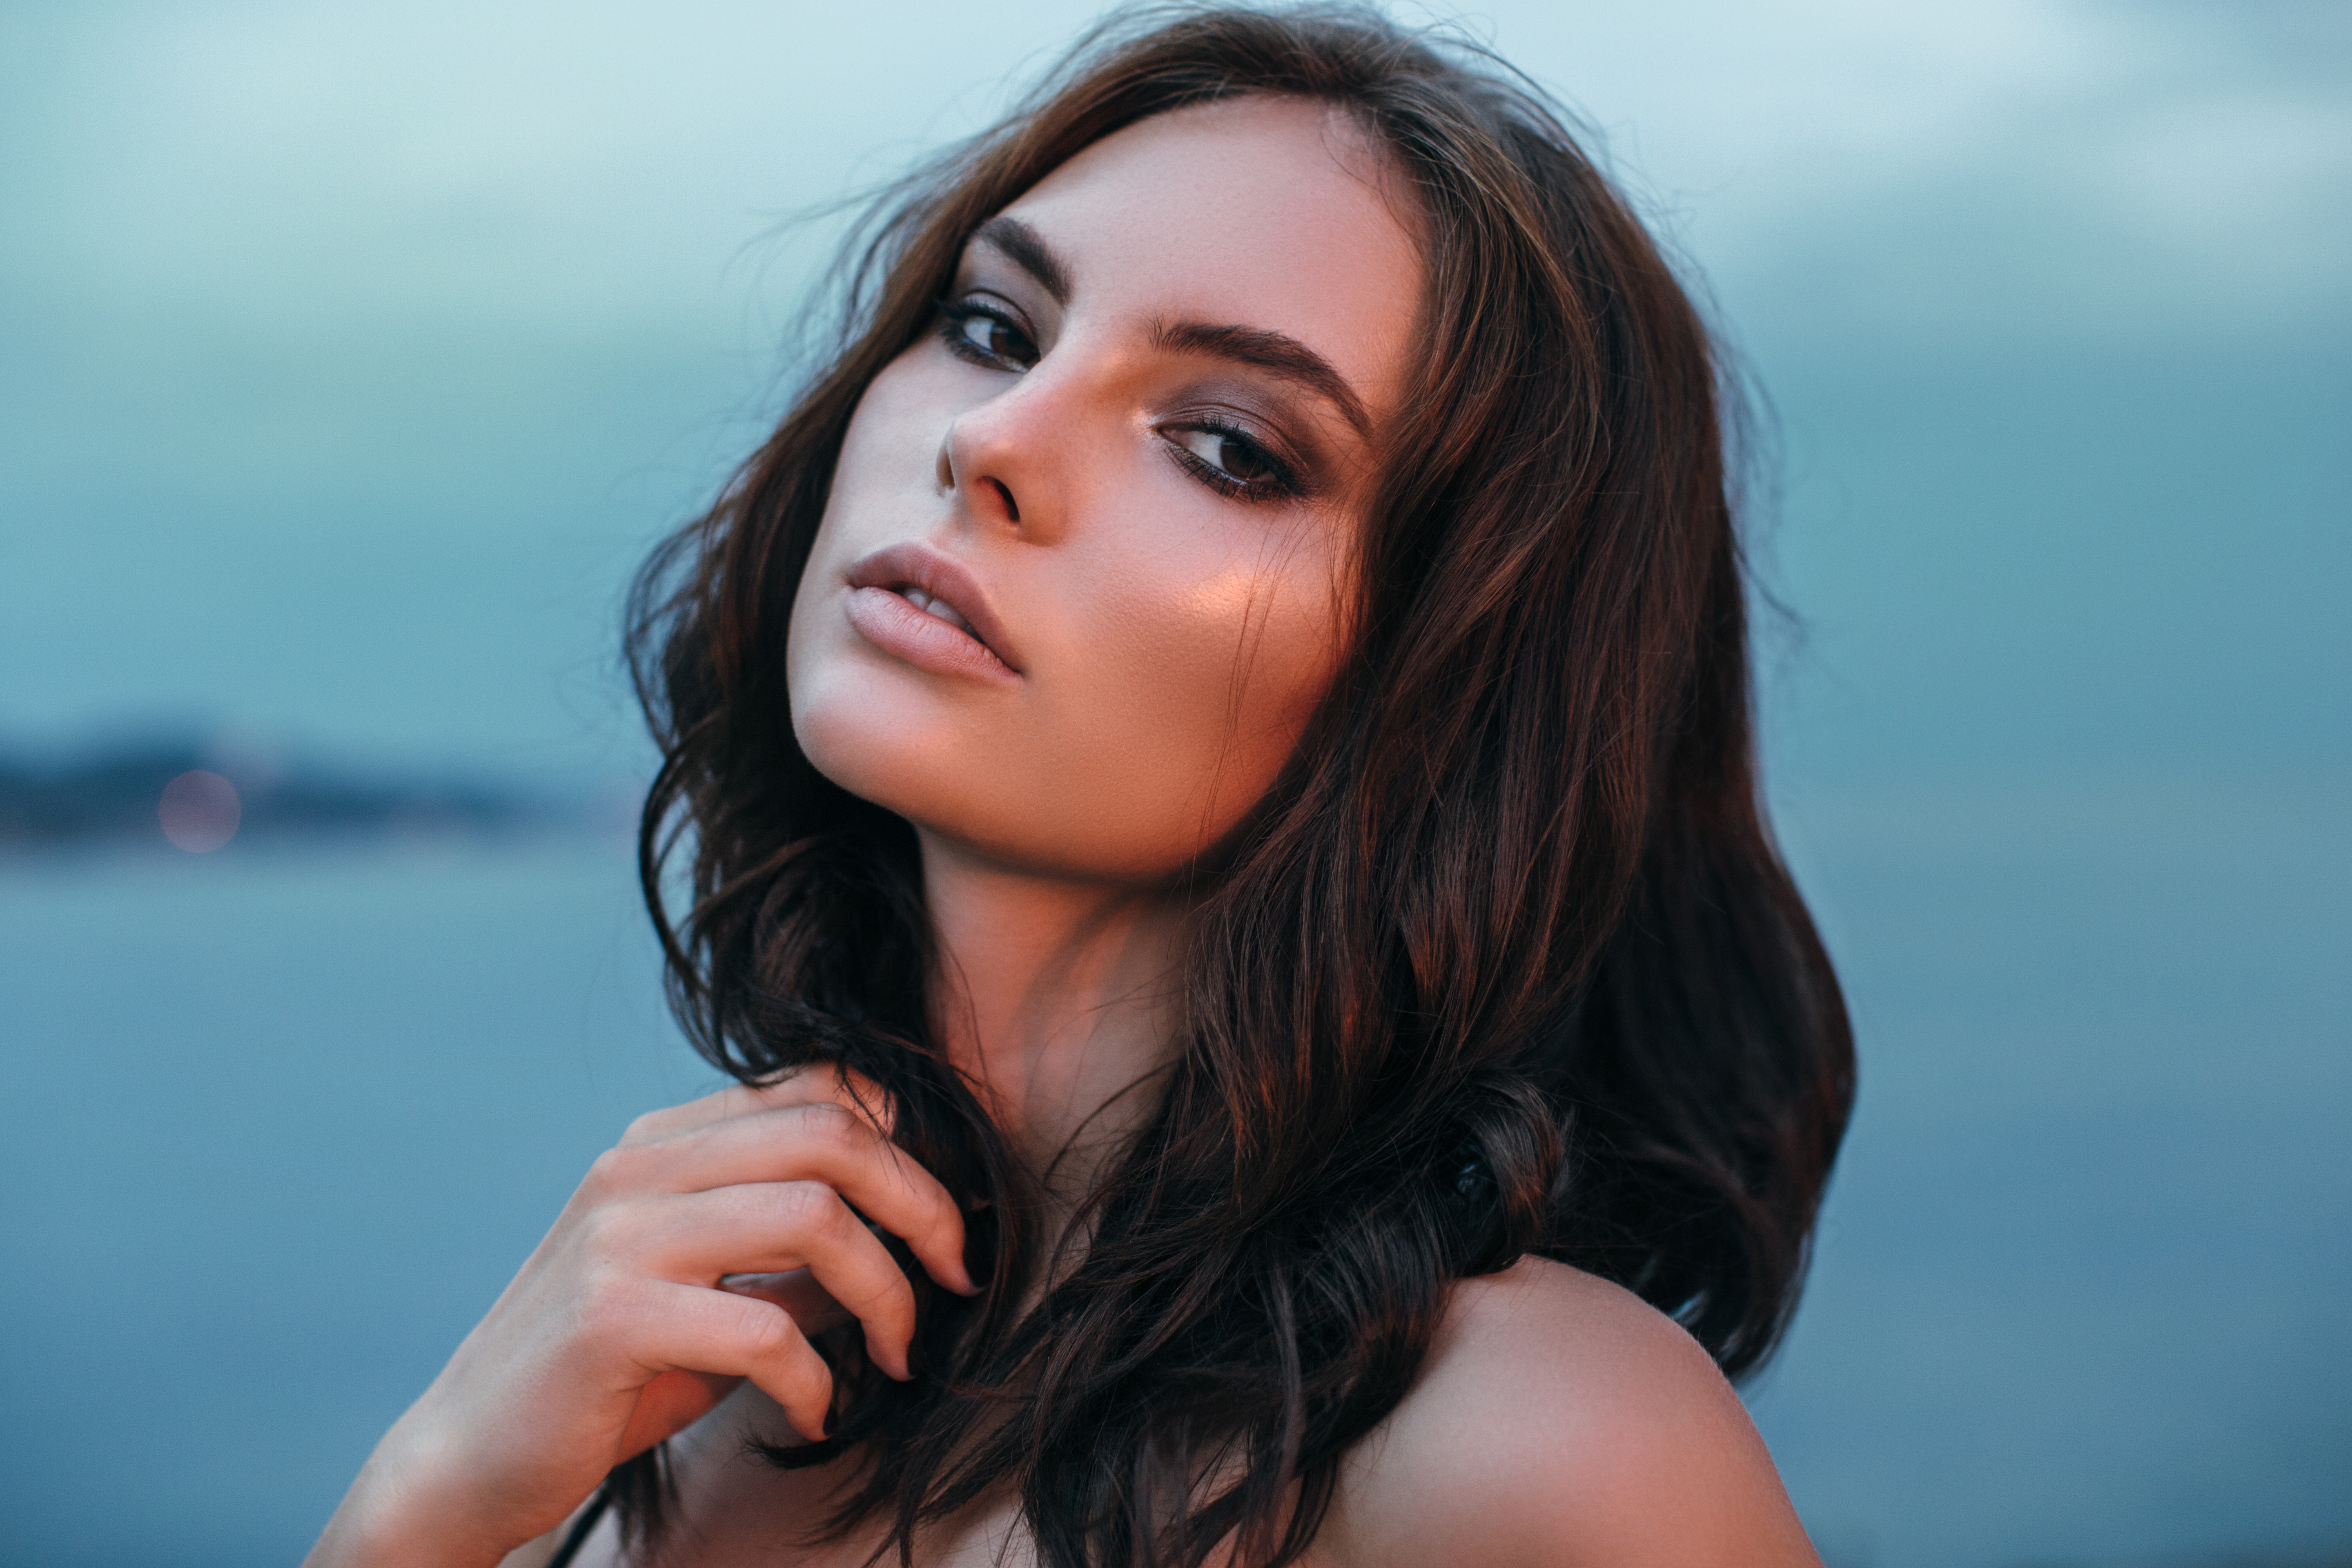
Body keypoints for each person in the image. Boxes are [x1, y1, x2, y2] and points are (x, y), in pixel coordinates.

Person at [306, 7, 1855, 1564]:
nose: (992, 438)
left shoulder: (1540, 1450)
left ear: (1453, 689)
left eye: (1234, 448)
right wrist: (427, 1500)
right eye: (993, 326)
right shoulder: (675, 1369)